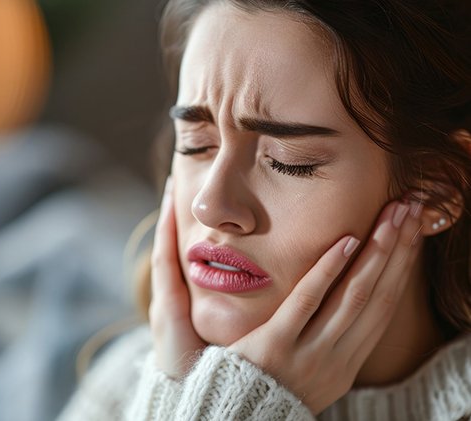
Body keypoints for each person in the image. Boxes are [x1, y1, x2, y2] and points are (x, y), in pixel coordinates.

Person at [58, 0, 471, 419]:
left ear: (436, 187)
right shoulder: (127, 381)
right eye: (196, 145)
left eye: (289, 160)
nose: (209, 205)